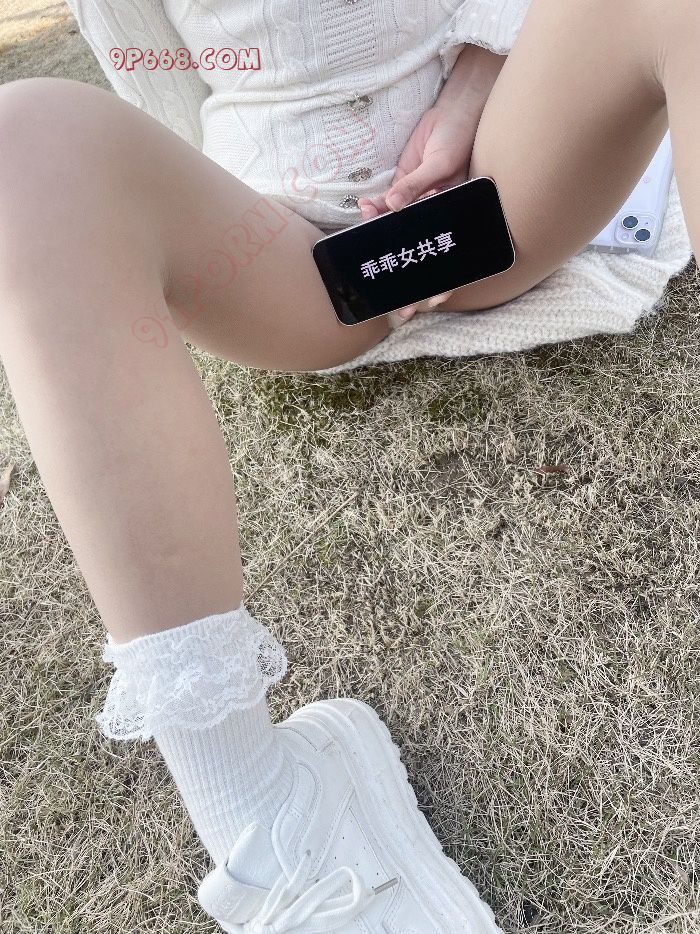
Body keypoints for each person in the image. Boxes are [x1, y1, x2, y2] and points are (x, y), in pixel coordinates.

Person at [0, 0, 698, 929]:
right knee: (23, 140)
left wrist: (471, 95)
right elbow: (156, 87)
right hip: (290, 255)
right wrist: (218, 218)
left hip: (500, 169)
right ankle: (260, 804)